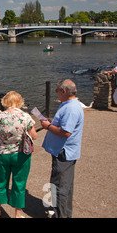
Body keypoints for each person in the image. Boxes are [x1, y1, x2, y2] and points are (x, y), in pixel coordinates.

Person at [40, 79, 84, 218]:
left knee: (60, 187)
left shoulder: (71, 108)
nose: (56, 93)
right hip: (64, 152)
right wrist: (53, 122)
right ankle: (63, 213)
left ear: (64, 91)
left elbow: (66, 132)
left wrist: (47, 126)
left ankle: (60, 215)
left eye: (57, 90)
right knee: (64, 186)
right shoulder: (70, 104)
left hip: (64, 152)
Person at [0, 91, 37, 218]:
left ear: (5, 102)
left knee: (1, 182)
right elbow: (34, 136)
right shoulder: (25, 117)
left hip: (1, 153)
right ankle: (17, 214)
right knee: (19, 183)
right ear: (19, 102)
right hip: (20, 154)